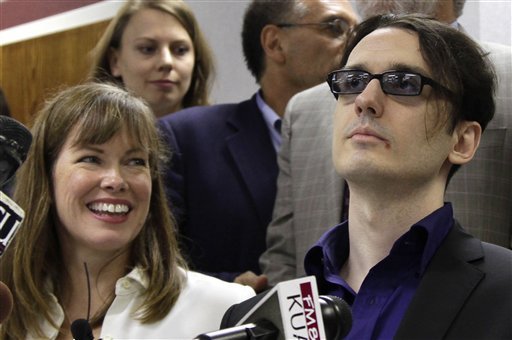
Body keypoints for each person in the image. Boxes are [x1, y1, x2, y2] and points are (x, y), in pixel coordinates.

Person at [221, 14, 512, 339]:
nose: (365, 100)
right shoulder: (253, 322)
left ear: (461, 141)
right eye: (353, 81)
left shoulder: (504, 295)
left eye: (403, 82)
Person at [0, 83, 255, 339]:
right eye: (91, 159)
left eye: (135, 162)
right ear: (46, 175)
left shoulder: (227, 308)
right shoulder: (7, 310)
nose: (116, 180)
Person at [157, 0, 357, 286]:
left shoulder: (363, 137)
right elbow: (151, 259)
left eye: (358, 30)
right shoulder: (187, 137)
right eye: (336, 27)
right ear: (275, 43)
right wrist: (230, 288)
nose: (355, 43)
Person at [89, 0, 214, 117]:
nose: (166, 61)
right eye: (148, 49)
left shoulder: (218, 133)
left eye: (180, 50)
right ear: (115, 61)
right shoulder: (82, 137)